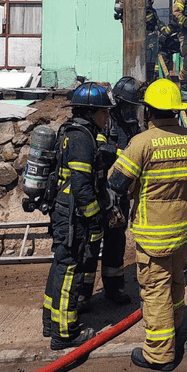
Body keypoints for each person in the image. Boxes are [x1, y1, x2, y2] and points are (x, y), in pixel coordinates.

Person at [107, 78, 187, 371]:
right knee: (177, 282)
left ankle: (159, 354)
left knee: (155, 291)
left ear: (149, 111)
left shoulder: (142, 143)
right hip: (185, 230)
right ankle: (176, 330)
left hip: (154, 235)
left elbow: (117, 183)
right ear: (177, 111)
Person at [42, 81, 113, 350]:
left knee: (61, 265)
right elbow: (82, 186)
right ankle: (64, 333)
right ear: (91, 111)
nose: (107, 117)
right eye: (104, 112)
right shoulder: (83, 138)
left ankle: (50, 321)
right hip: (73, 215)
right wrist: (95, 217)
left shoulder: (71, 131)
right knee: (70, 269)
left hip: (64, 210)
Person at [98, 76, 145, 305]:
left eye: (133, 107)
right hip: (103, 191)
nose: (130, 110)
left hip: (122, 194)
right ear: (118, 103)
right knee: (91, 241)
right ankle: (84, 293)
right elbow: (98, 152)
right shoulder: (105, 122)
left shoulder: (133, 125)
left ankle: (114, 288)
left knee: (117, 240)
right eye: (127, 106)